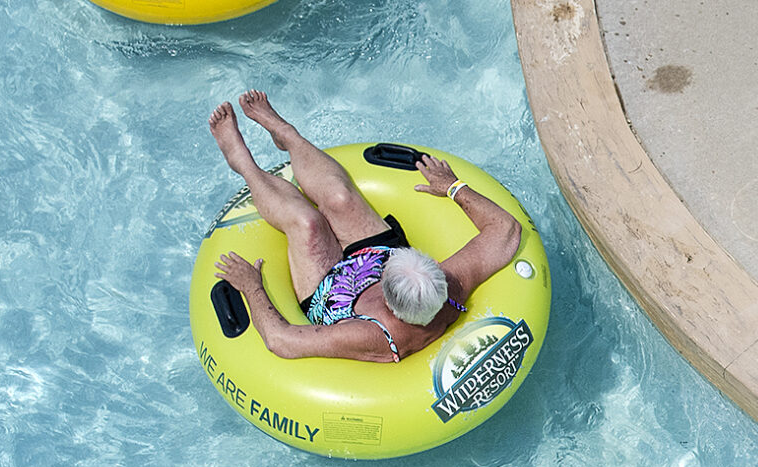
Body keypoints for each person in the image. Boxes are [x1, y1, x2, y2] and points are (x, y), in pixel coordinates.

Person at [206, 90, 522, 362]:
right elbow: (506, 229)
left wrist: (252, 286)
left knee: (307, 224)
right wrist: (453, 186)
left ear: (387, 298)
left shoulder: (373, 336)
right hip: (377, 256)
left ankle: (242, 162)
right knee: (341, 198)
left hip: (334, 301)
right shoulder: (451, 283)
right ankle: (286, 134)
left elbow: (281, 341)